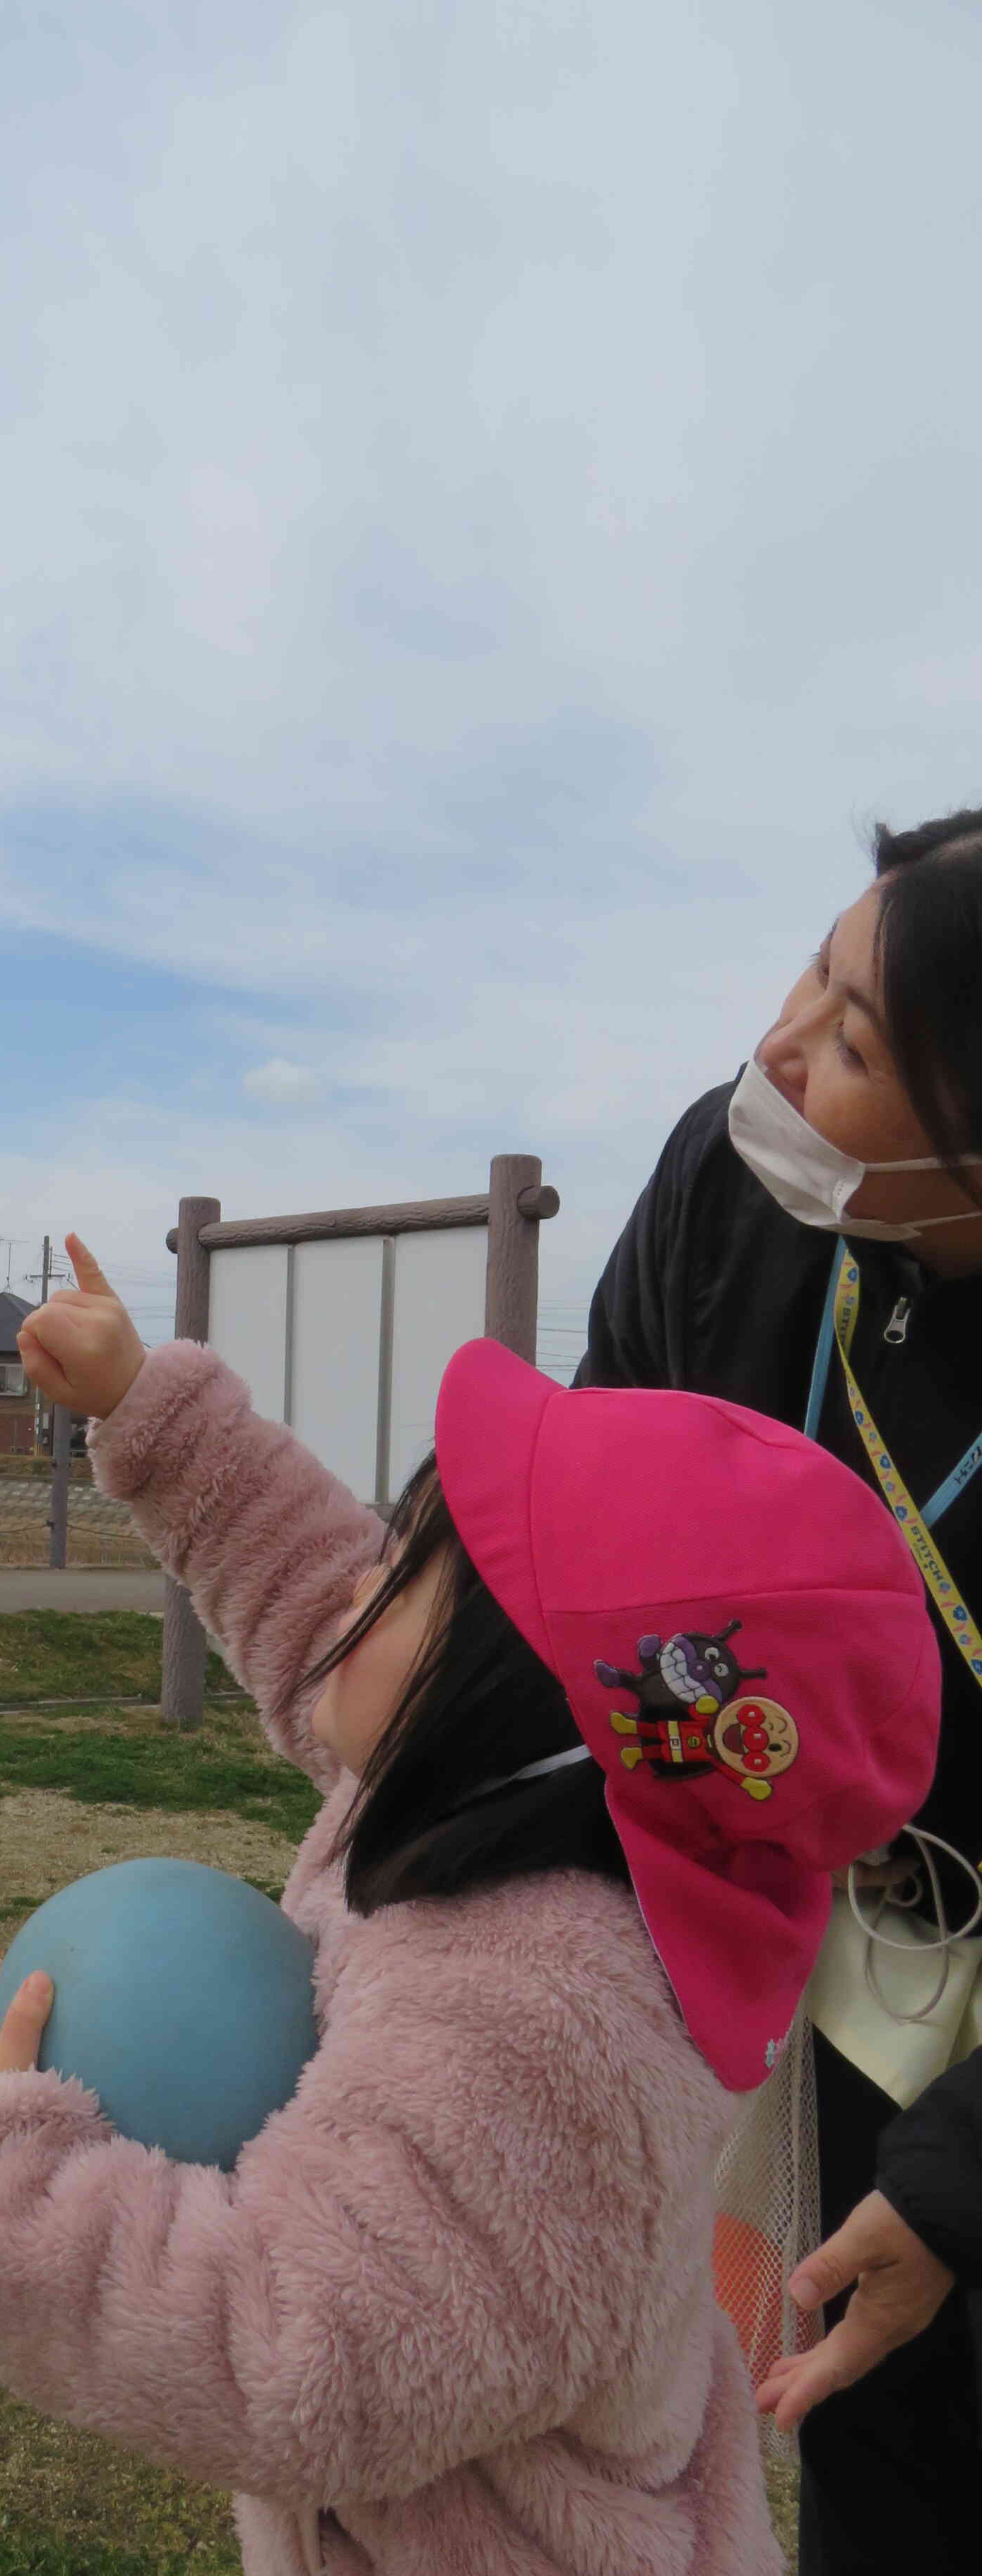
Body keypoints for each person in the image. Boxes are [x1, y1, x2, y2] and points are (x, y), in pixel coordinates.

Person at [0, 1238, 939, 2576]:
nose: (354, 1577)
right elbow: (301, 1580)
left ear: (536, 1706)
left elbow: (295, 2354)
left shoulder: (544, 2024)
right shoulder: (512, 1812)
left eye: (407, 1569)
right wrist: (141, 1408)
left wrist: (10, 2174)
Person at [575, 808, 982, 2572]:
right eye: (812, 974)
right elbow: (582, 1530)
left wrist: (968, 2178)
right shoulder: (734, 1190)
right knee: (852, 2448)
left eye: (859, 1044)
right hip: (807, 1964)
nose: (777, 1050)